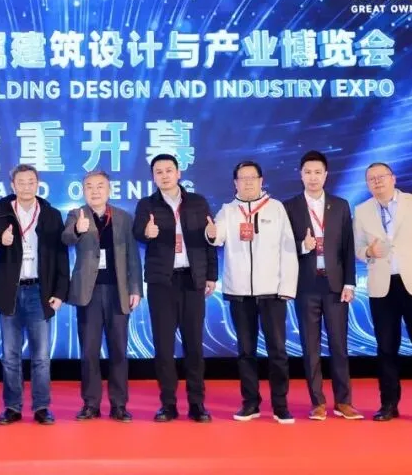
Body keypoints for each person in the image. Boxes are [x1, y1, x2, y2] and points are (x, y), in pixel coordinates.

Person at [354, 162, 412, 426]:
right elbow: (358, 249)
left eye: (381, 176)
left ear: (393, 178)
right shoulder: (361, 211)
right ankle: (388, 405)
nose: (377, 181)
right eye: (371, 179)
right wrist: (368, 252)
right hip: (382, 287)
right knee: (386, 349)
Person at [208, 161, 298, 424]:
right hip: (239, 292)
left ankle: (280, 405)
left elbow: (288, 249)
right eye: (242, 178)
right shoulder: (228, 210)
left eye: (252, 177)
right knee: (245, 351)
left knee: (277, 350)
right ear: (235, 183)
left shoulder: (276, 208)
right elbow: (217, 237)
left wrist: (287, 287)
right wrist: (211, 232)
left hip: (272, 292)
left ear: (261, 180)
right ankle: (250, 403)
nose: (247, 182)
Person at [132, 154, 216, 423]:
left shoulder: (198, 202)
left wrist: (211, 275)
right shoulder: (147, 204)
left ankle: (197, 404)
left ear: (179, 173)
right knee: (164, 347)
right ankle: (168, 404)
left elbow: (210, 239)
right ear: (153, 177)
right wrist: (146, 233)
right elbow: (137, 232)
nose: (164, 175)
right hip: (162, 283)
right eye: (159, 172)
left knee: (194, 346)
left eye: (169, 170)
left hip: (192, 281)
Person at [0, 163, 70, 425]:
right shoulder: (1, 210)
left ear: (38, 184)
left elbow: (61, 256)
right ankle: (12, 407)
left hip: (40, 291)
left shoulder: (51, 214)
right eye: (20, 182)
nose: (26, 186)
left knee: (41, 356)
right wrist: (1, 238)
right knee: (10, 356)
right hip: (10, 291)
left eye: (30, 181)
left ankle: (42, 407)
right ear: (13, 185)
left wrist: (60, 292)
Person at [283, 151, 361, 421]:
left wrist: (350, 282)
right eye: (308, 172)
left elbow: (348, 247)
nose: (313, 177)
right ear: (300, 175)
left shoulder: (340, 205)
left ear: (326, 175)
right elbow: (281, 247)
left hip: (335, 285)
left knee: (339, 345)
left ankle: (344, 401)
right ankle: (317, 402)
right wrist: (301, 246)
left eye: (318, 172)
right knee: (310, 347)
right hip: (306, 285)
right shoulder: (289, 207)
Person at [62, 170, 143, 423]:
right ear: (83, 190)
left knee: (118, 350)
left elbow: (133, 256)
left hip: (118, 291)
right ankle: (91, 404)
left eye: (100, 186)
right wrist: (77, 229)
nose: (95, 191)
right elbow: (65, 238)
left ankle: (119, 405)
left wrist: (135, 289)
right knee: (89, 352)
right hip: (89, 293)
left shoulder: (123, 217)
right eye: (89, 186)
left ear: (109, 190)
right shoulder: (76, 214)